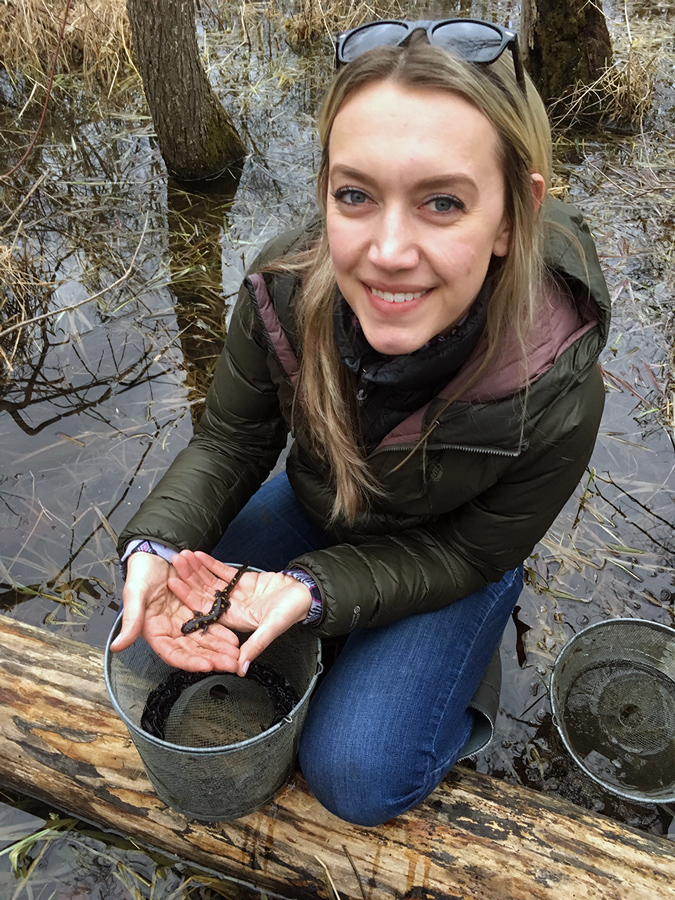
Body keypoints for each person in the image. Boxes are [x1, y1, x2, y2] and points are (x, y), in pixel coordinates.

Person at [111, 18, 610, 826]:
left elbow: (472, 546)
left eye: (441, 202)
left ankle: (454, 672)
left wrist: (311, 592)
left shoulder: (555, 376)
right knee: (161, 623)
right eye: (355, 194)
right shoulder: (278, 293)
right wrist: (155, 543)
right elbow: (232, 440)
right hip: (323, 503)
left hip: (453, 548)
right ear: (324, 193)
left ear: (514, 216)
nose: (385, 250)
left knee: (356, 777)